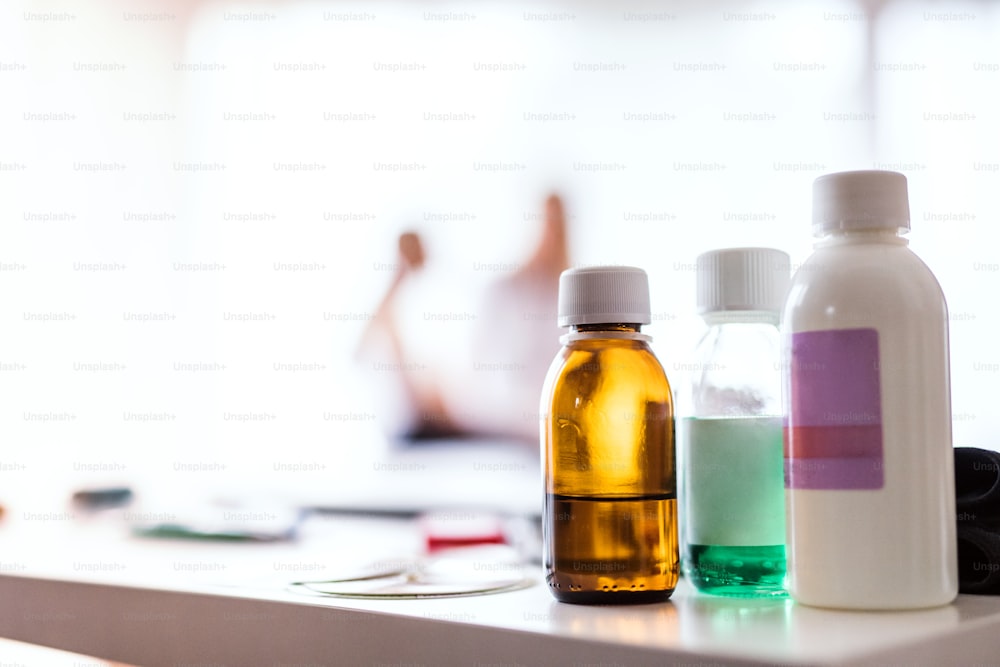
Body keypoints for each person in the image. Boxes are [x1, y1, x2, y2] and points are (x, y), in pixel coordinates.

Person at [356, 194, 569, 444]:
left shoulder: (550, 296)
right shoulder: (499, 293)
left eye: (555, 226)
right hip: (445, 419)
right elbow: (358, 351)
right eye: (545, 224)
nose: (548, 236)